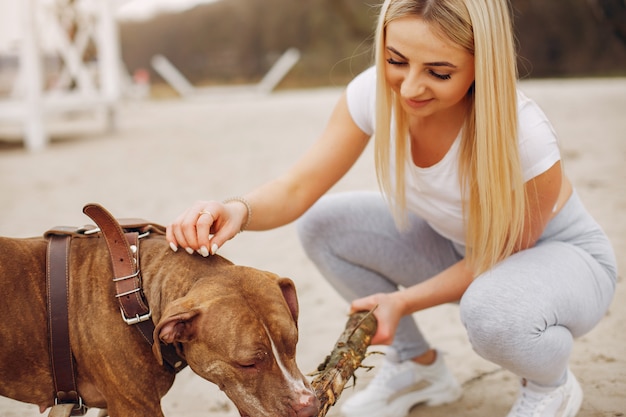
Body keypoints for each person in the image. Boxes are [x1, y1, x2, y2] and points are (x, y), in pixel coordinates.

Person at [166, 0, 617, 416]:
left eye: (439, 72)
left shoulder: (525, 134)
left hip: (557, 260)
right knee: (325, 225)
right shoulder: (372, 94)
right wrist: (236, 211)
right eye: (396, 61)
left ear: (484, 66)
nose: (411, 87)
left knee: (491, 313)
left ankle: (549, 385)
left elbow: (501, 253)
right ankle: (419, 367)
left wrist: (401, 301)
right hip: (461, 251)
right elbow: (299, 186)